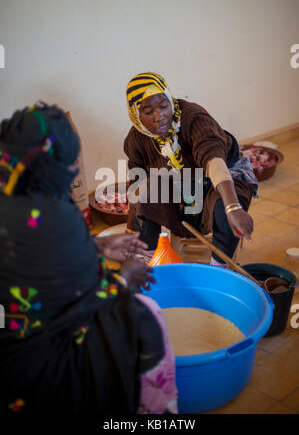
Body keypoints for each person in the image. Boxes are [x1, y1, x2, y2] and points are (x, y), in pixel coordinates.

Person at [0, 103, 178, 415]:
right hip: (39, 363)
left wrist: (93, 246)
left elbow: (26, 259)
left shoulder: (14, 198)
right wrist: (125, 278)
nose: (74, 172)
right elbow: (86, 303)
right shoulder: (52, 216)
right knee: (145, 315)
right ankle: (157, 414)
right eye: (71, 164)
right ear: (53, 165)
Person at [124, 72, 258, 266]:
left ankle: (218, 269)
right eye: (148, 111)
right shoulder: (136, 140)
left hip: (218, 179)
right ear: (136, 114)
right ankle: (150, 260)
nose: (159, 116)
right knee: (146, 191)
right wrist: (133, 233)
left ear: (170, 99)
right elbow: (136, 186)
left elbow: (213, 161)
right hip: (181, 188)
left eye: (163, 106)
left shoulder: (194, 119)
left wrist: (233, 206)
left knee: (225, 205)